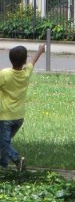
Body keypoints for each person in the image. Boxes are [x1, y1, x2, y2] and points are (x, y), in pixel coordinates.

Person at [0, 42, 45, 171]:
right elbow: (33, 62)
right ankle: (3, 166)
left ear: (10, 59)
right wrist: (40, 50)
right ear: (24, 61)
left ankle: (16, 159)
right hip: (19, 118)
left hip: (5, 117)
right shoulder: (26, 74)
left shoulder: (5, 74)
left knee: (3, 142)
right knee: (5, 142)